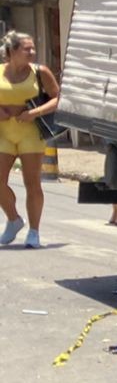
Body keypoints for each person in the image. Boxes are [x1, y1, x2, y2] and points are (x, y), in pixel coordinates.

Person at [0, 30, 59, 249]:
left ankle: (34, 231)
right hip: (3, 133)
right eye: (27, 49)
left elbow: (57, 99)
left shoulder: (40, 72)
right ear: (12, 51)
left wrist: (33, 113)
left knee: (32, 183)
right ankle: (14, 219)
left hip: (30, 134)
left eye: (33, 48)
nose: (32, 52)